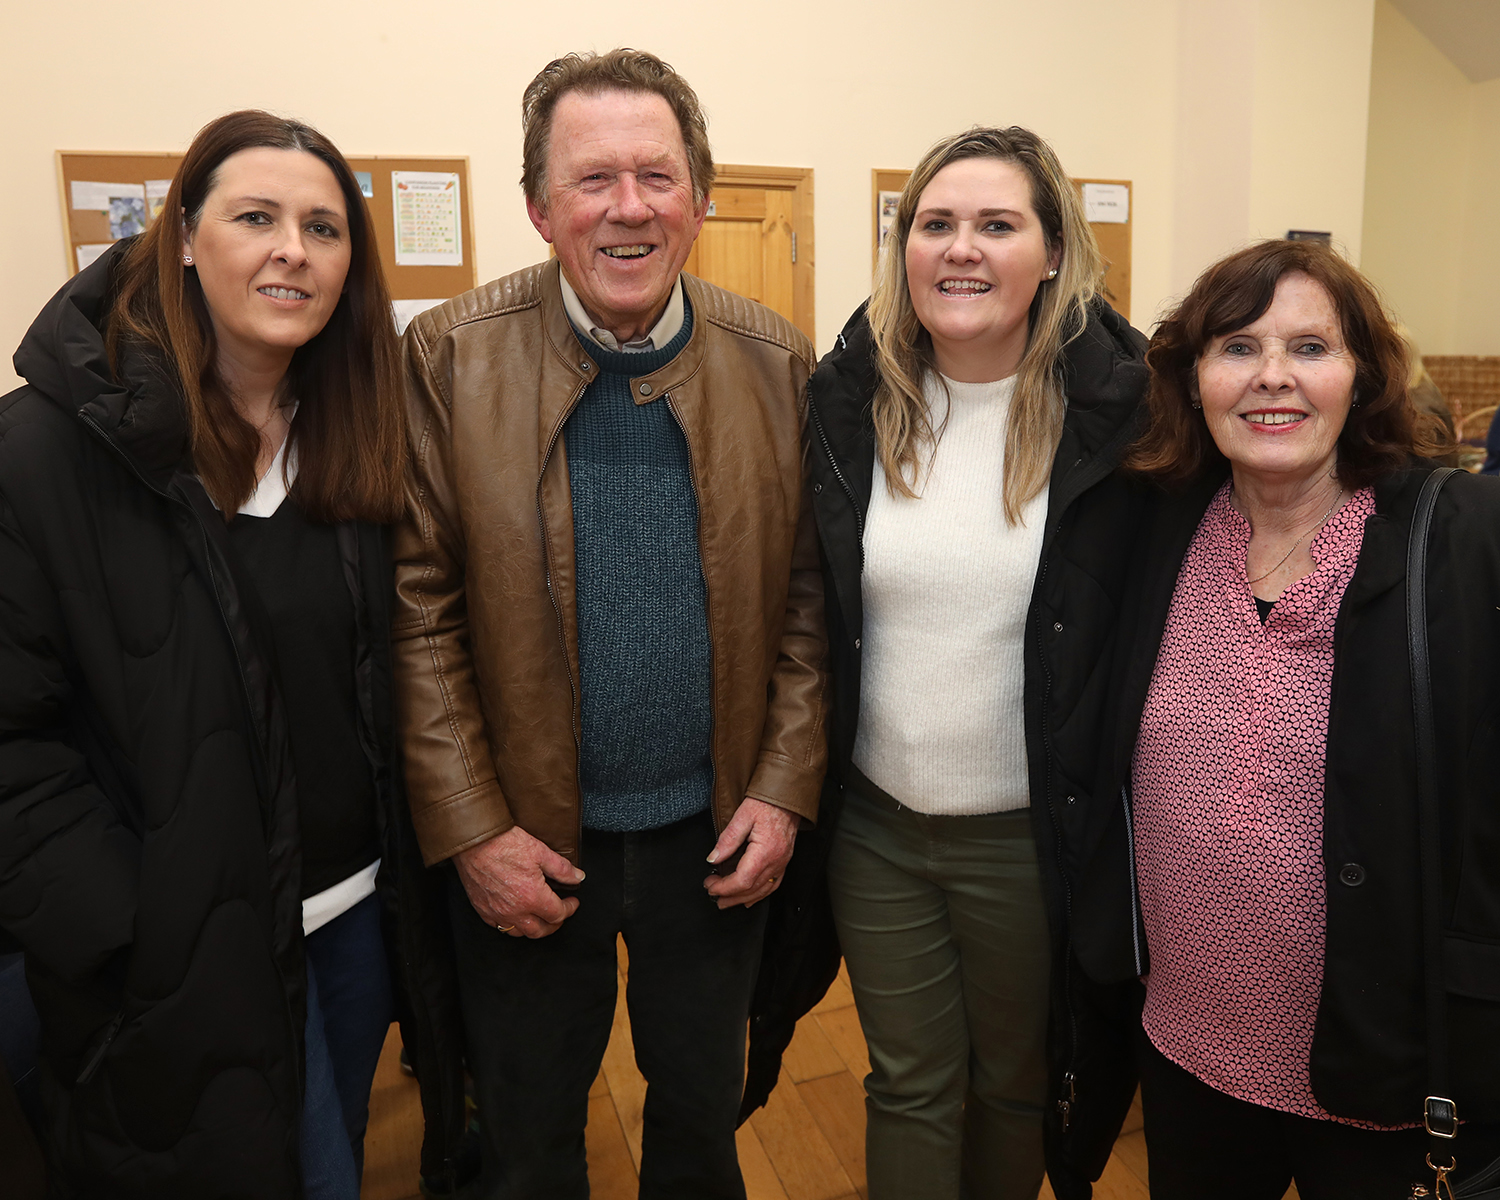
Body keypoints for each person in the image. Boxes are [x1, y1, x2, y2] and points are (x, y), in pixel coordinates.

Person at [0, 110, 463, 1198]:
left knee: (335, 1151)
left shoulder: (359, 433)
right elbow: (15, 740)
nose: (292, 250)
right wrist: (129, 929)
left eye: (323, 228)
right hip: (181, 957)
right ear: (182, 237)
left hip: (355, 919)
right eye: (256, 217)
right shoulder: (45, 452)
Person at [391, 49, 828, 1199]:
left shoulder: (778, 363)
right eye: (592, 179)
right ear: (540, 207)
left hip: (714, 841)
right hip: (530, 845)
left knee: (702, 1127)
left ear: (702, 198)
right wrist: (474, 832)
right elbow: (418, 612)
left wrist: (783, 789)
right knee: (529, 1143)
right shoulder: (449, 356)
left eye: (656, 175)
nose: (628, 207)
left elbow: (806, 601)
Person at [1067, 237, 1500, 1198]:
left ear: (1364, 375)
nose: (1273, 377)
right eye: (1237, 347)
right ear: (1192, 382)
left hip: (1389, 1081)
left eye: (1311, 348)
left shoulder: (1458, 540)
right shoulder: (1161, 528)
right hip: (1185, 1051)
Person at [804, 126, 1149, 1200]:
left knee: (1012, 1086)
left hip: (1028, 839)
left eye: (998, 225)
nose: (961, 249)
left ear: (1053, 254)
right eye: (935, 224)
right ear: (903, 248)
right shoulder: (848, 403)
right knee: (908, 1083)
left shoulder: (1124, 423)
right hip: (877, 831)